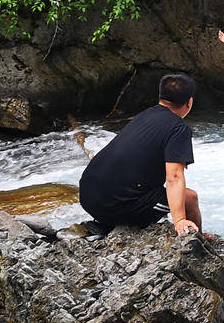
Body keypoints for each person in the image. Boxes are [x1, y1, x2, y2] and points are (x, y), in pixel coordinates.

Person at [78, 73, 201, 233]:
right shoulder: (178, 129)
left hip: (87, 196)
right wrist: (180, 220)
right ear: (189, 102)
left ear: (161, 97)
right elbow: (174, 177)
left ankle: (104, 222)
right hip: (112, 207)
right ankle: (200, 239)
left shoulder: (146, 115)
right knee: (190, 198)